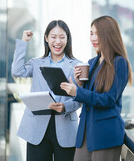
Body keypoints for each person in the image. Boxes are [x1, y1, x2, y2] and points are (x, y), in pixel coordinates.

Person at [60, 15, 132, 161]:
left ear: (108, 35)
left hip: (106, 134)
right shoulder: (91, 63)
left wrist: (78, 91)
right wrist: (79, 85)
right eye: (91, 33)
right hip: (86, 132)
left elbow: (108, 99)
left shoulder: (119, 62)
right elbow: (88, 95)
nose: (93, 38)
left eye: (97, 34)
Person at [11, 20, 81, 161]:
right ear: (46, 38)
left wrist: (65, 106)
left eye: (62, 37)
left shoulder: (77, 65)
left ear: (67, 39)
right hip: (37, 128)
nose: (57, 41)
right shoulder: (36, 63)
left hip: (65, 127)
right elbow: (17, 71)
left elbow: (80, 98)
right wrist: (24, 42)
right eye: (53, 37)